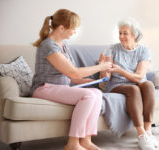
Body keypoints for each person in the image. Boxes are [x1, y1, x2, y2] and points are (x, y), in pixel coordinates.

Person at [32, 9, 112, 150]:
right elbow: (74, 73)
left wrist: (82, 81)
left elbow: (67, 75)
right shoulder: (49, 46)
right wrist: (101, 67)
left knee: (97, 93)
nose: (75, 31)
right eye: (73, 28)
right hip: (44, 88)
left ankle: (86, 140)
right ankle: (73, 143)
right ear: (62, 28)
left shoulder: (64, 45)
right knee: (88, 95)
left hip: (59, 87)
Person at [99, 18, 157, 150]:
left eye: (125, 33)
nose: (121, 36)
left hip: (136, 82)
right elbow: (106, 78)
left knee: (148, 85)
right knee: (133, 90)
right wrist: (102, 67)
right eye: (120, 33)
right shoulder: (112, 49)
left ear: (134, 34)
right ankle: (141, 135)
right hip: (116, 85)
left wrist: (120, 70)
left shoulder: (144, 50)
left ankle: (148, 132)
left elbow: (139, 77)